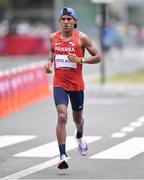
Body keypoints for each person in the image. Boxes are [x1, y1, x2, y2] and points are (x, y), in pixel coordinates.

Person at [45, 7, 101, 169]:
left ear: (75, 21)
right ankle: (62, 155)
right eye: (63, 19)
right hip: (59, 84)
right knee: (62, 116)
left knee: (78, 119)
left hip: (76, 85)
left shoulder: (82, 38)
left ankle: (80, 136)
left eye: (69, 19)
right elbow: (52, 52)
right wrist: (49, 63)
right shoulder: (53, 37)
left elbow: (98, 57)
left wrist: (80, 60)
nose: (66, 22)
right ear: (59, 21)